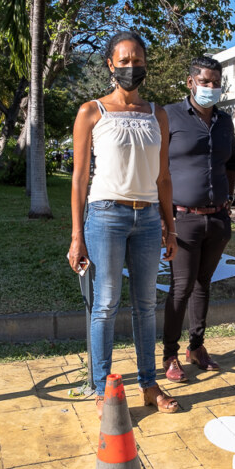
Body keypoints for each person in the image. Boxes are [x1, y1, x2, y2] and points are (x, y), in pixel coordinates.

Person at [67, 31, 179, 418]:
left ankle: (149, 385)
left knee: (146, 306)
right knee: (106, 304)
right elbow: (79, 178)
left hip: (147, 218)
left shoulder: (157, 114)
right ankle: (103, 391)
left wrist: (170, 227)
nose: (132, 67)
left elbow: (164, 177)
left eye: (138, 61)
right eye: (125, 61)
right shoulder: (91, 111)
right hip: (105, 216)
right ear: (110, 65)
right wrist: (77, 236)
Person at [161, 57, 235, 383]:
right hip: (182, 219)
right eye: (205, 81)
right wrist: (164, 218)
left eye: (216, 83)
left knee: (202, 284)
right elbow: (157, 169)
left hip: (218, 219)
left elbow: (233, 162)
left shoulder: (225, 121)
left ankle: (196, 347)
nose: (211, 88)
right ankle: (170, 354)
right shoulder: (169, 115)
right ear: (190, 82)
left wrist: (228, 199)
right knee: (181, 288)